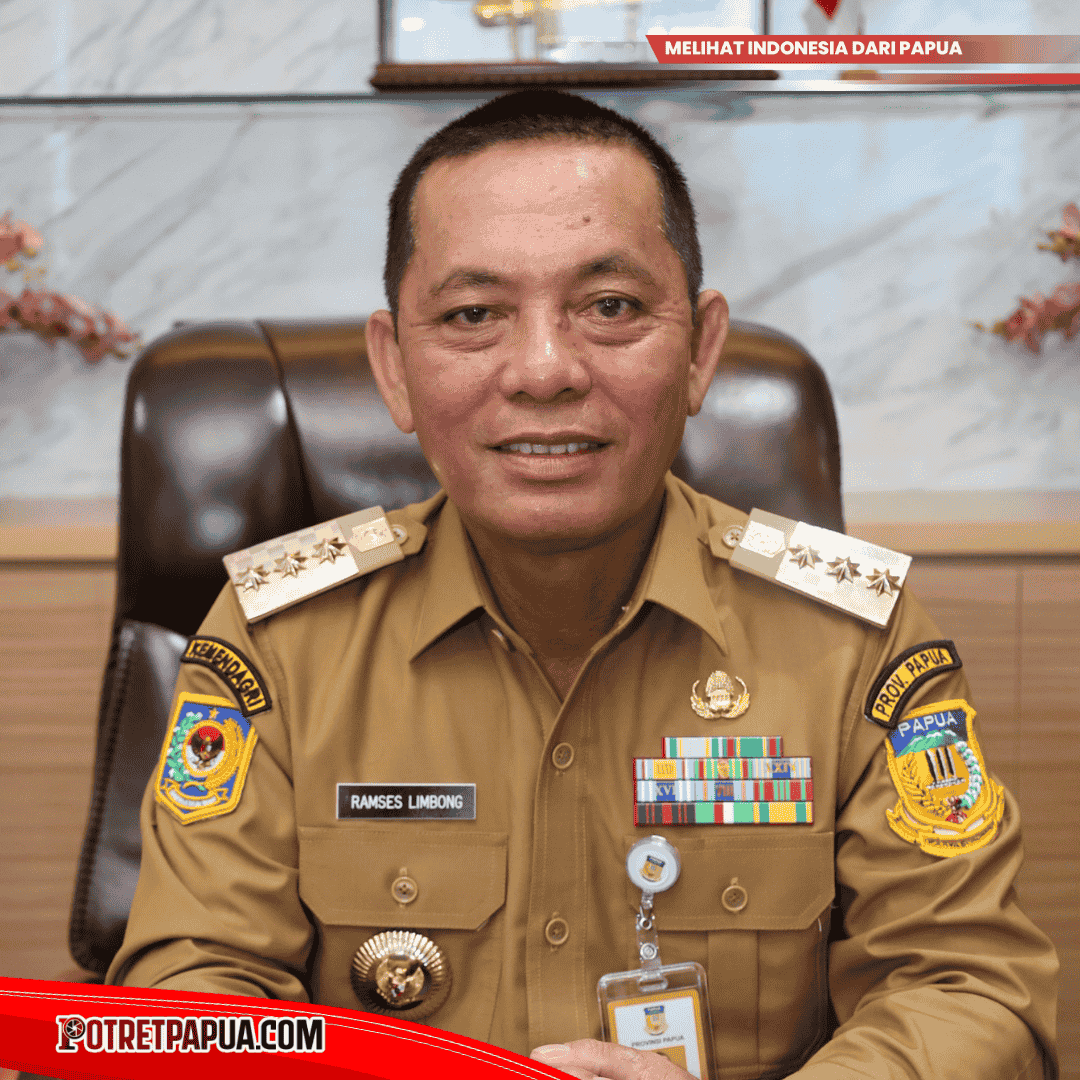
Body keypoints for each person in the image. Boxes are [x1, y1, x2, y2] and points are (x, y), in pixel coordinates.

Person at [107, 90, 1059, 1079]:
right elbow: (192, 991)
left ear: (701, 349)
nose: (544, 369)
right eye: (473, 315)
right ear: (393, 368)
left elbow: (969, 990)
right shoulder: (279, 641)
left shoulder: (853, 641)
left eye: (610, 307)